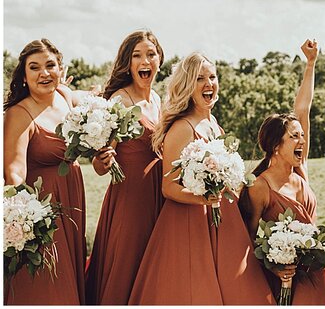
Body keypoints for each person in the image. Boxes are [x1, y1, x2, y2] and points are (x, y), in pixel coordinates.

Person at [128, 52, 275, 304]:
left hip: (224, 220)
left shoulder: (214, 124)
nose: (209, 84)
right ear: (187, 85)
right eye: (199, 78)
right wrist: (204, 198)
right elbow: (168, 187)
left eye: (212, 77)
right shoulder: (182, 128)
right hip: (189, 223)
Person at [240, 39, 325, 305]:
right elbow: (248, 238)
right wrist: (274, 266)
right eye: (294, 137)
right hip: (283, 278)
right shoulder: (259, 187)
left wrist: (311, 64)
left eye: (302, 136)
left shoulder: (300, 171)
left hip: (316, 273)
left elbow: (302, 110)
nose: (302, 141)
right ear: (275, 146)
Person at [3, 39, 87, 305]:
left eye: (50, 65)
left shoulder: (64, 97)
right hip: (44, 211)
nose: (44, 73)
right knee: (48, 283)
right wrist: (27, 221)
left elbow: (92, 97)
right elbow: (14, 171)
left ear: (61, 70)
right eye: (35, 67)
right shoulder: (19, 113)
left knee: (69, 274)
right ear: (24, 77)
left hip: (73, 201)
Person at [84, 30, 166, 305]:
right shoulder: (120, 99)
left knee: (153, 265)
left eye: (150, 54)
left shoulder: (159, 99)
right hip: (131, 196)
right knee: (128, 263)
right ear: (128, 63)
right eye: (137, 56)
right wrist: (103, 159)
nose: (145, 61)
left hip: (159, 193)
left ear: (159, 59)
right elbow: (98, 165)